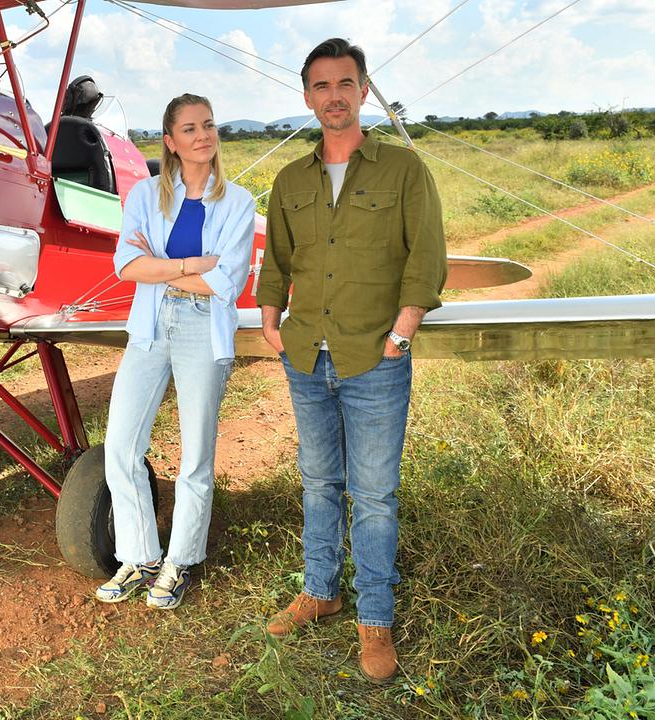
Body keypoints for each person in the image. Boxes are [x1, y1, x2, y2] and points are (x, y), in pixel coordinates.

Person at [256, 38, 447, 682]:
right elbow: (277, 260)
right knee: (317, 482)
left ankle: (374, 618)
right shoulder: (290, 179)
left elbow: (426, 256)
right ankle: (320, 590)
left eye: (344, 84)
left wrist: (401, 332)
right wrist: (269, 322)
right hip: (307, 354)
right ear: (307, 97)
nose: (333, 97)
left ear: (364, 91)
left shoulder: (403, 171)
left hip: (376, 358)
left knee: (373, 496)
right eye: (320, 86)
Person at [96, 93, 256, 610]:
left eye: (208, 125)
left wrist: (162, 266)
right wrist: (191, 266)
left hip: (202, 330)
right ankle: (140, 556)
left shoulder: (239, 202)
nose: (202, 135)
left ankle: (179, 560)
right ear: (170, 141)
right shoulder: (143, 196)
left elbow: (226, 281)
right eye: (189, 128)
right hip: (148, 327)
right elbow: (126, 266)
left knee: (195, 456)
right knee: (121, 445)